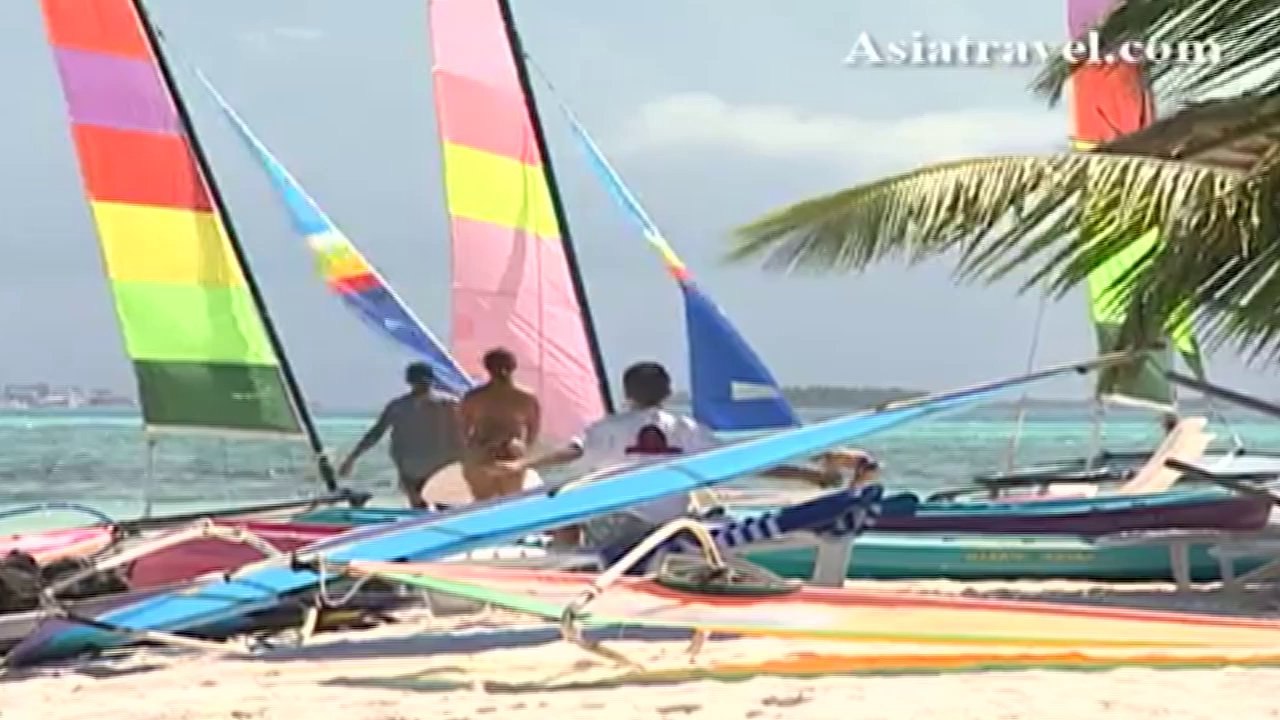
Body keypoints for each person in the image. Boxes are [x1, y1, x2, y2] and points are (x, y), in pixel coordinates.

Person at [529, 360, 866, 548]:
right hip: (671, 527)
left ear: (627, 392)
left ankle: (567, 571)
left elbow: (570, 453)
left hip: (622, 528)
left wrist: (522, 463)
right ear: (667, 392)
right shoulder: (687, 428)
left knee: (564, 511)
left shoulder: (606, 428)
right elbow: (742, 463)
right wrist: (811, 476)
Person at [338, 362, 462, 509]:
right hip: (416, 467)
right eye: (420, 382)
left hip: (432, 467)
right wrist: (352, 458)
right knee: (428, 511)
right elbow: (376, 433)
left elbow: (376, 433)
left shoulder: (448, 404)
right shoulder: (401, 406)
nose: (422, 385)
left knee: (436, 510)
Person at [458, 347, 541, 501]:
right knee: (511, 502)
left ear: (487, 368)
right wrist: (524, 450)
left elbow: (463, 429)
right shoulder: (526, 397)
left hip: (482, 450)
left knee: (483, 504)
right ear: (514, 367)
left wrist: (472, 449)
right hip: (512, 451)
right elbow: (533, 430)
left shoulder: (474, 397)